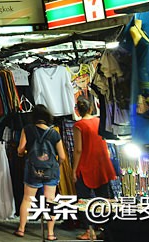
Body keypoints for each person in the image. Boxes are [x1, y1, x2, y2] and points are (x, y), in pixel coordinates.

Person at [16, 104, 69, 240]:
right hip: (51, 170)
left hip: (33, 169)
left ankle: (21, 229)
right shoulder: (54, 133)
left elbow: (20, 149)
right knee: (50, 200)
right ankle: (51, 233)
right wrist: (56, 164)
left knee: (27, 199)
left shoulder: (27, 130)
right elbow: (62, 156)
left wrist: (22, 154)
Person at [73, 98, 117, 240]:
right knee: (103, 199)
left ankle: (89, 230)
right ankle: (106, 229)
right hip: (102, 164)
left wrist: (74, 169)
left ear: (78, 110)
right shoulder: (99, 121)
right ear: (91, 108)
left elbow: (78, 150)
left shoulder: (79, 125)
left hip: (86, 165)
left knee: (83, 200)